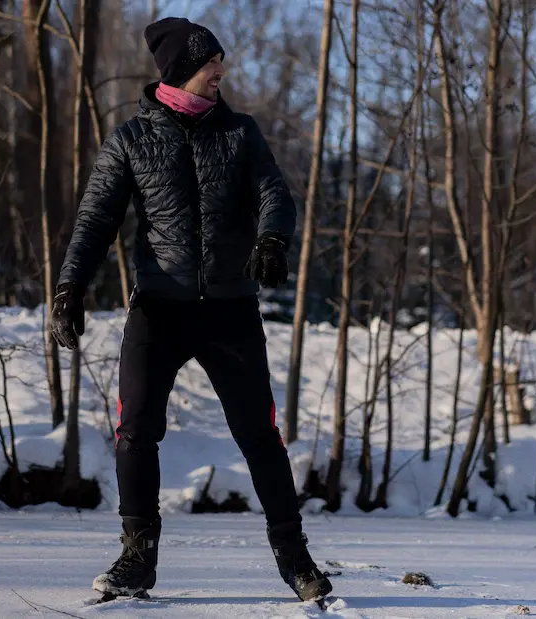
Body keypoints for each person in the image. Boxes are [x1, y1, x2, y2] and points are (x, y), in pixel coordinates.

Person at [50, 16, 332, 603]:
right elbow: (96, 221)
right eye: (212, 65)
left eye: (221, 64)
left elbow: (274, 192)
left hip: (230, 310)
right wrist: (70, 287)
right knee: (135, 432)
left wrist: (272, 239)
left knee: (260, 436)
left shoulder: (241, 133)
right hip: (160, 309)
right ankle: (137, 558)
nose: (221, 73)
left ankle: (297, 561)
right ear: (183, 71)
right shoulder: (130, 141)